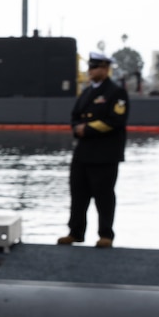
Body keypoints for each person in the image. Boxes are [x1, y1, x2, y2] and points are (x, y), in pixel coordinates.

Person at [58, 49, 130, 248]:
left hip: (105, 153)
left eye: (95, 67)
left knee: (104, 195)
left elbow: (116, 120)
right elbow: (75, 116)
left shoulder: (116, 93)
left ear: (105, 69)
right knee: (78, 194)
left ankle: (106, 234)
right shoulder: (87, 92)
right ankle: (75, 232)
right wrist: (77, 128)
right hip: (83, 153)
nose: (90, 70)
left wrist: (87, 129)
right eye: (90, 67)